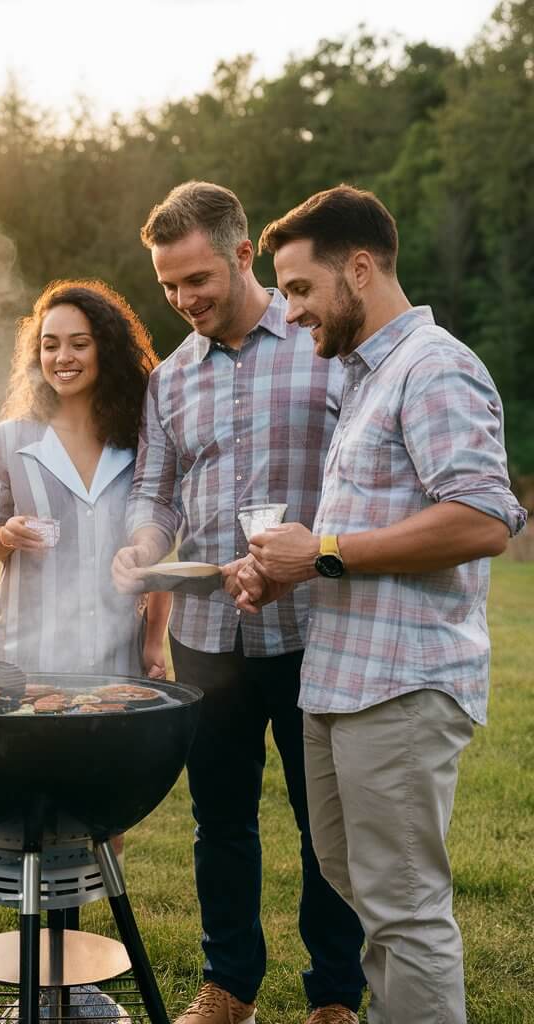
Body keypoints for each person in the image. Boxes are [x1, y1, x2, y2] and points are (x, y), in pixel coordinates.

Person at [236, 185, 527, 1024]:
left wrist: (321, 550)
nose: (288, 312)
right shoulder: (366, 378)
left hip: (400, 687)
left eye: (297, 289)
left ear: (358, 270)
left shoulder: (435, 365)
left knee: (404, 910)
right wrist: (290, 565)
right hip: (341, 681)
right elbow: (370, 530)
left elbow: (481, 520)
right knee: (360, 889)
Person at [111, 181, 366, 1024]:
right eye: (169, 285)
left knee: (322, 820)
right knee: (219, 820)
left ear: (243, 254)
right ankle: (230, 986)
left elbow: (363, 479)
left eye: (197, 280)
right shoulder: (170, 380)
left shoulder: (321, 343)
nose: (183, 301)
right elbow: (156, 492)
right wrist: (142, 547)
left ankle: (334, 995)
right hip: (209, 634)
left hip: (315, 626)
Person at [0, 278, 169, 678]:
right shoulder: (6, 442)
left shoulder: (140, 444)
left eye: (79, 344)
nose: (63, 357)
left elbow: (157, 559)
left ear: (106, 350)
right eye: (50, 345)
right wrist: (9, 535)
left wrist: (152, 643)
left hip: (117, 663)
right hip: (25, 663)